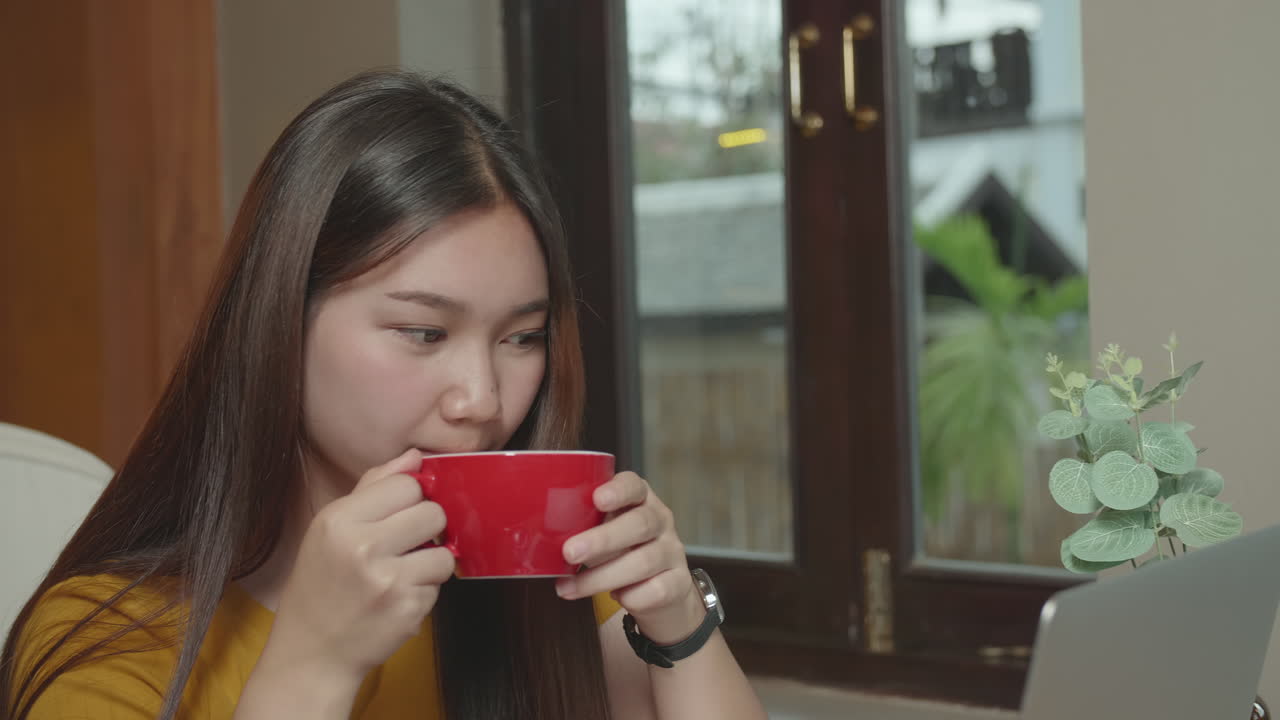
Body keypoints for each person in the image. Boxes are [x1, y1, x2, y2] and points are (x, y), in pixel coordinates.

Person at [0, 70, 767, 719]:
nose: (481, 400)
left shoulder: (543, 594)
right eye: (424, 333)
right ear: (280, 323)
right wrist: (314, 664)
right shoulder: (111, 638)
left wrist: (678, 621)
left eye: (521, 337)